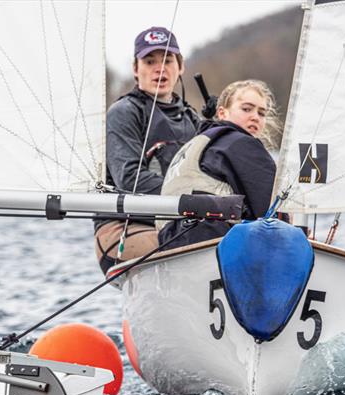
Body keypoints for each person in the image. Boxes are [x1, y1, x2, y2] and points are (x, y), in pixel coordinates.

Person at [93, 26, 200, 275]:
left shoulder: (193, 120)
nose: (159, 68)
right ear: (135, 69)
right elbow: (130, 179)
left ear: (180, 66)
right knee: (198, 244)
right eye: (150, 61)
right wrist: (195, 195)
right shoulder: (123, 113)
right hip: (121, 229)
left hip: (179, 223)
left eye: (167, 60)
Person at [157, 79, 282, 250]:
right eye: (246, 109)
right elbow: (272, 210)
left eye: (261, 113)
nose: (255, 117)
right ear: (222, 113)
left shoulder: (198, 142)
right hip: (208, 238)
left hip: (169, 241)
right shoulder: (240, 143)